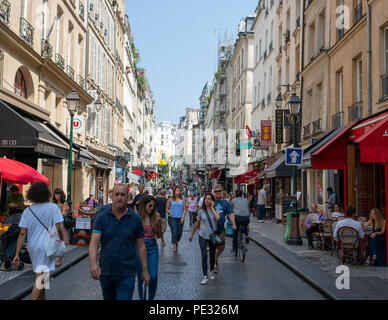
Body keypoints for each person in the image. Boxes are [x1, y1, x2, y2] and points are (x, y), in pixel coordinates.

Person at [89, 184, 150, 300]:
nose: (119, 197)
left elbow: (141, 246)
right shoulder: (102, 217)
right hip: (106, 272)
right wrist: (93, 264)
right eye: (117, 194)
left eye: (123, 195)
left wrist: (145, 270)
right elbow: (94, 242)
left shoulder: (135, 218)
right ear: (112, 196)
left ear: (128, 197)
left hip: (127, 273)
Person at [13, 182, 65, 300]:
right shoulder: (53, 207)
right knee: (41, 279)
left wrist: (17, 253)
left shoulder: (28, 211)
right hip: (47, 245)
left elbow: (22, 233)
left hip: (32, 247)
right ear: (47, 193)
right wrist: (60, 240)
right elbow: (58, 228)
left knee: (40, 275)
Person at [189, 193, 220, 285]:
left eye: (209, 198)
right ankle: (205, 276)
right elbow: (197, 223)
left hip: (212, 236)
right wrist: (192, 234)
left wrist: (213, 207)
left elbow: (217, 218)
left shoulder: (216, 209)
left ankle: (211, 270)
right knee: (204, 255)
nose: (207, 200)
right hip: (202, 235)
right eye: (206, 198)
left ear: (212, 200)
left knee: (212, 254)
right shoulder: (201, 211)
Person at [136, 196, 163, 300]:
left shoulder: (156, 216)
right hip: (139, 248)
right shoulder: (138, 217)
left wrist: (159, 226)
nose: (152, 208)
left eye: (153, 206)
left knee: (154, 276)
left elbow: (159, 236)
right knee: (141, 277)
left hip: (152, 247)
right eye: (150, 206)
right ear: (144, 206)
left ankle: (151, 298)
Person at [213, 185, 236, 273]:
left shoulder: (226, 203)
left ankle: (214, 259)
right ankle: (214, 264)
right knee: (216, 245)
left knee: (222, 247)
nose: (218, 192)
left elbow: (230, 213)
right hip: (212, 230)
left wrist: (233, 223)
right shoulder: (211, 201)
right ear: (213, 193)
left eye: (219, 191)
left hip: (221, 229)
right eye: (216, 191)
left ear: (222, 192)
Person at [52, 188, 70, 267]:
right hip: (54, 225)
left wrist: (56, 214)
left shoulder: (64, 203)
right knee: (53, 242)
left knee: (61, 243)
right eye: (56, 194)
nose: (57, 196)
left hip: (61, 226)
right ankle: (53, 259)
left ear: (61, 195)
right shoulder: (53, 204)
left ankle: (59, 260)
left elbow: (64, 213)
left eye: (59, 194)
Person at [230, 190, 250, 256]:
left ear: (235, 194)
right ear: (242, 194)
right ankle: (246, 235)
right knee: (245, 226)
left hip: (237, 217)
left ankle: (234, 248)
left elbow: (230, 209)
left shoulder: (233, 200)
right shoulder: (246, 200)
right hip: (246, 218)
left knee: (235, 232)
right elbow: (248, 209)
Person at [166, 187, 186, 252]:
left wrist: (183, 217)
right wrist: (169, 212)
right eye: (177, 190)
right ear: (174, 192)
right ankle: (174, 245)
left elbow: (184, 209)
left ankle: (176, 240)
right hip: (172, 218)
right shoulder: (170, 199)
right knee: (174, 231)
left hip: (180, 218)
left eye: (179, 190)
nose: (178, 191)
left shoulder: (183, 200)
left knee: (179, 233)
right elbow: (166, 209)